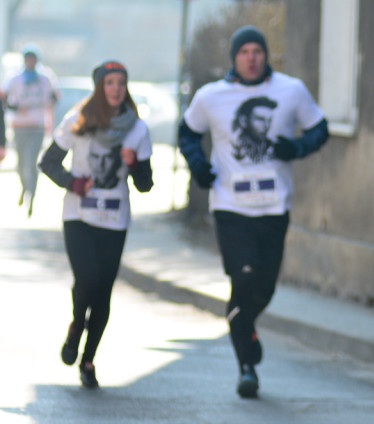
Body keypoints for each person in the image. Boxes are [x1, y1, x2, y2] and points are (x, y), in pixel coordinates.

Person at [178, 26, 328, 398]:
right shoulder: (212, 96)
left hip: (275, 206)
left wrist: (296, 148)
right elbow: (186, 132)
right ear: (234, 57)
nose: (251, 57)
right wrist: (198, 164)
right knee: (243, 280)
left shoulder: (290, 90)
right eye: (244, 51)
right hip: (230, 206)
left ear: (266, 56)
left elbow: (320, 129)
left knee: (264, 289)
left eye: (257, 51)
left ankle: (247, 326)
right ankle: (246, 366)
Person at [38, 60, 154, 389]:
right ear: (99, 88)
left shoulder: (137, 129)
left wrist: (134, 166)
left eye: (122, 82)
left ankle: (88, 360)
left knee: (103, 293)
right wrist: (73, 183)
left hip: (114, 219)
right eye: (110, 83)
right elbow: (47, 162)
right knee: (86, 279)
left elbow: (146, 185)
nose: (117, 89)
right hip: (79, 216)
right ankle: (77, 325)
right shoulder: (78, 120)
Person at [5, 44, 59, 216]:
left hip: (37, 126)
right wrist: (15, 108)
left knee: (32, 162)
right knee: (21, 164)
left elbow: (55, 96)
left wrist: (50, 111)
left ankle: (32, 196)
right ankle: (24, 187)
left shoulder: (45, 78)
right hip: (20, 126)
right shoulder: (15, 79)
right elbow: (5, 99)